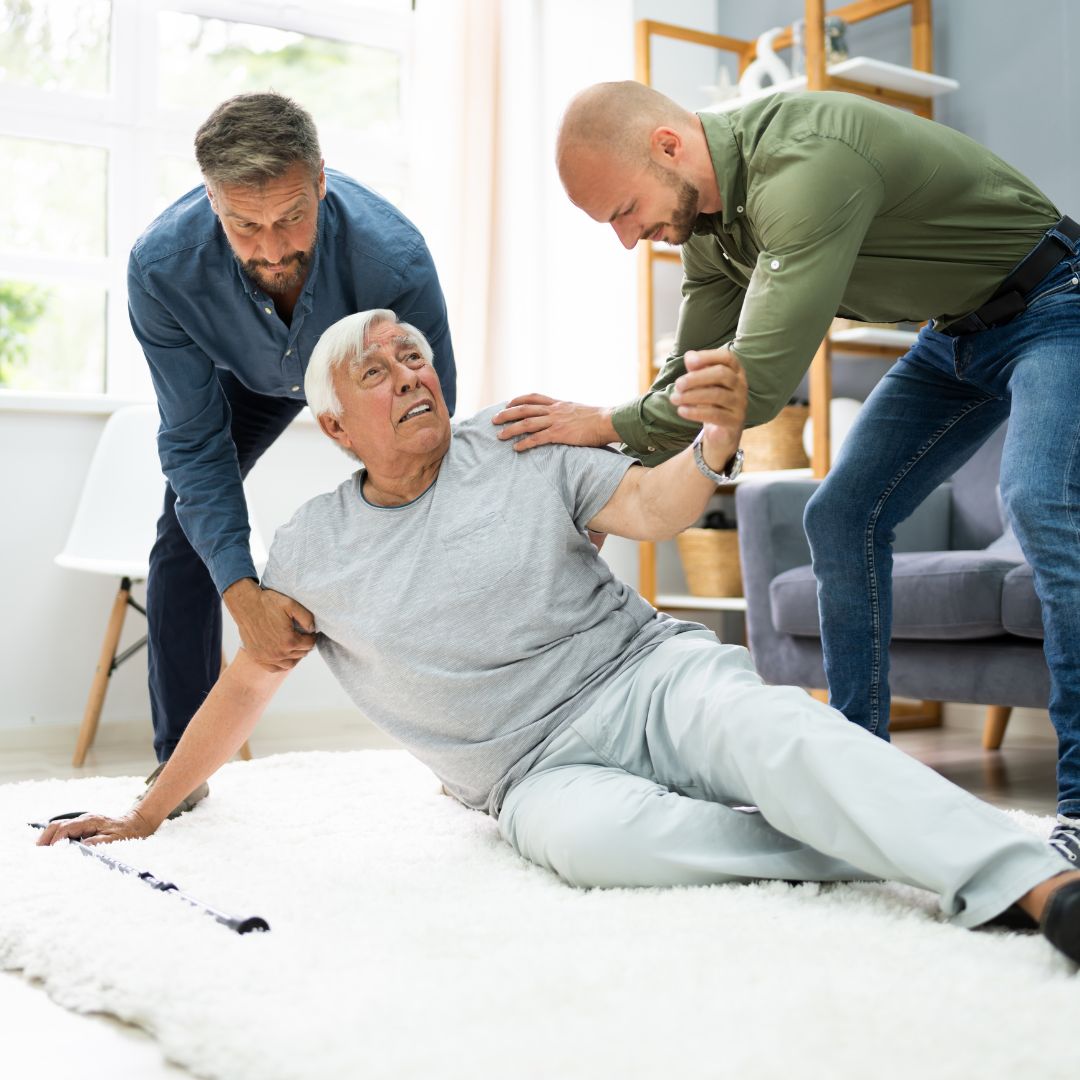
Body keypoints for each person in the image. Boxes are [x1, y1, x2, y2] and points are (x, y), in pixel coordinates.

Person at [38, 309, 1080, 965]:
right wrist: (148, 807)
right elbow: (246, 688)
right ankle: (883, 842)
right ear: (335, 428)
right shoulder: (313, 550)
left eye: (417, 355)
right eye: (380, 371)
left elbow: (653, 509)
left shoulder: (519, 440)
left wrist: (713, 443)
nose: (411, 375)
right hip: (528, 775)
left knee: (781, 738)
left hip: (644, 677)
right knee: (598, 846)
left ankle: (1041, 887)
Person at [493, 80, 1080, 861]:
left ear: (668, 146)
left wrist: (602, 418)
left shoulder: (808, 163)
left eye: (623, 212)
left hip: (1055, 300)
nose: (629, 239)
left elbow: (754, 386)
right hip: (957, 335)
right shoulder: (707, 228)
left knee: (1037, 499)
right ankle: (854, 784)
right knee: (838, 517)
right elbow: (692, 376)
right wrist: (597, 491)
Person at [128, 92, 456, 789]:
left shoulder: (393, 259)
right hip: (243, 380)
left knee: (433, 511)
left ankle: (468, 740)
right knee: (182, 534)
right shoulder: (162, 269)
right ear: (211, 199)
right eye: (244, 225)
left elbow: (431, 422)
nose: (273, 248)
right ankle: (178, 775)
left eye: (292, 217)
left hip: (358, 371)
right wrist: (243, 591)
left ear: (321, 181)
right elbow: (193, 446)